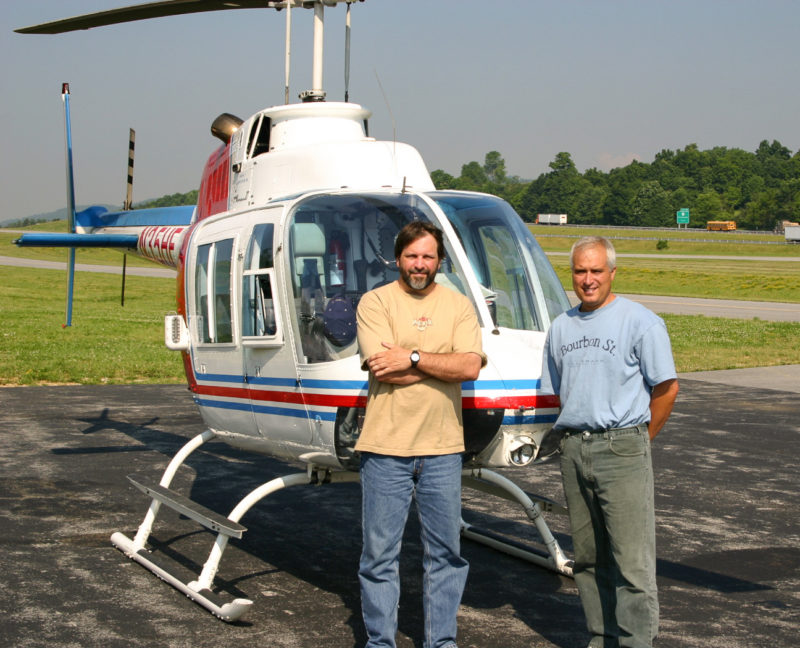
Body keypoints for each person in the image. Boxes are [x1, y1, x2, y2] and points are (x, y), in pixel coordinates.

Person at [539, 236, 679, 648]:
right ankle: (601, 637)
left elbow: (666, 388)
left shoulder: (641, 322)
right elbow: (557, 390)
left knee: (632, 563)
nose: (588, 279)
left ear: (612, 272)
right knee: (588, 559)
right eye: (580, 271)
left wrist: (639, 440)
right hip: (575, 449)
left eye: (596, 270)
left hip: (623, 448)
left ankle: (636, 642)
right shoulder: (562, 326)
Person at [355, 220, 487, 648]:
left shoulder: (460, 306)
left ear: (439, 261)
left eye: (428, 256)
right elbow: (381, 368)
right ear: (398, 259)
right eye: (412, 256)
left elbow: (469, 368)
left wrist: (410, 356)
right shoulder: (374, 303)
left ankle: (441, 642)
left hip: (443, 450)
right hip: (384, 449)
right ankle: (380, 642)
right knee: (379, 557)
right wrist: (439, 366)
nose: (419, 264)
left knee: (446, 554)